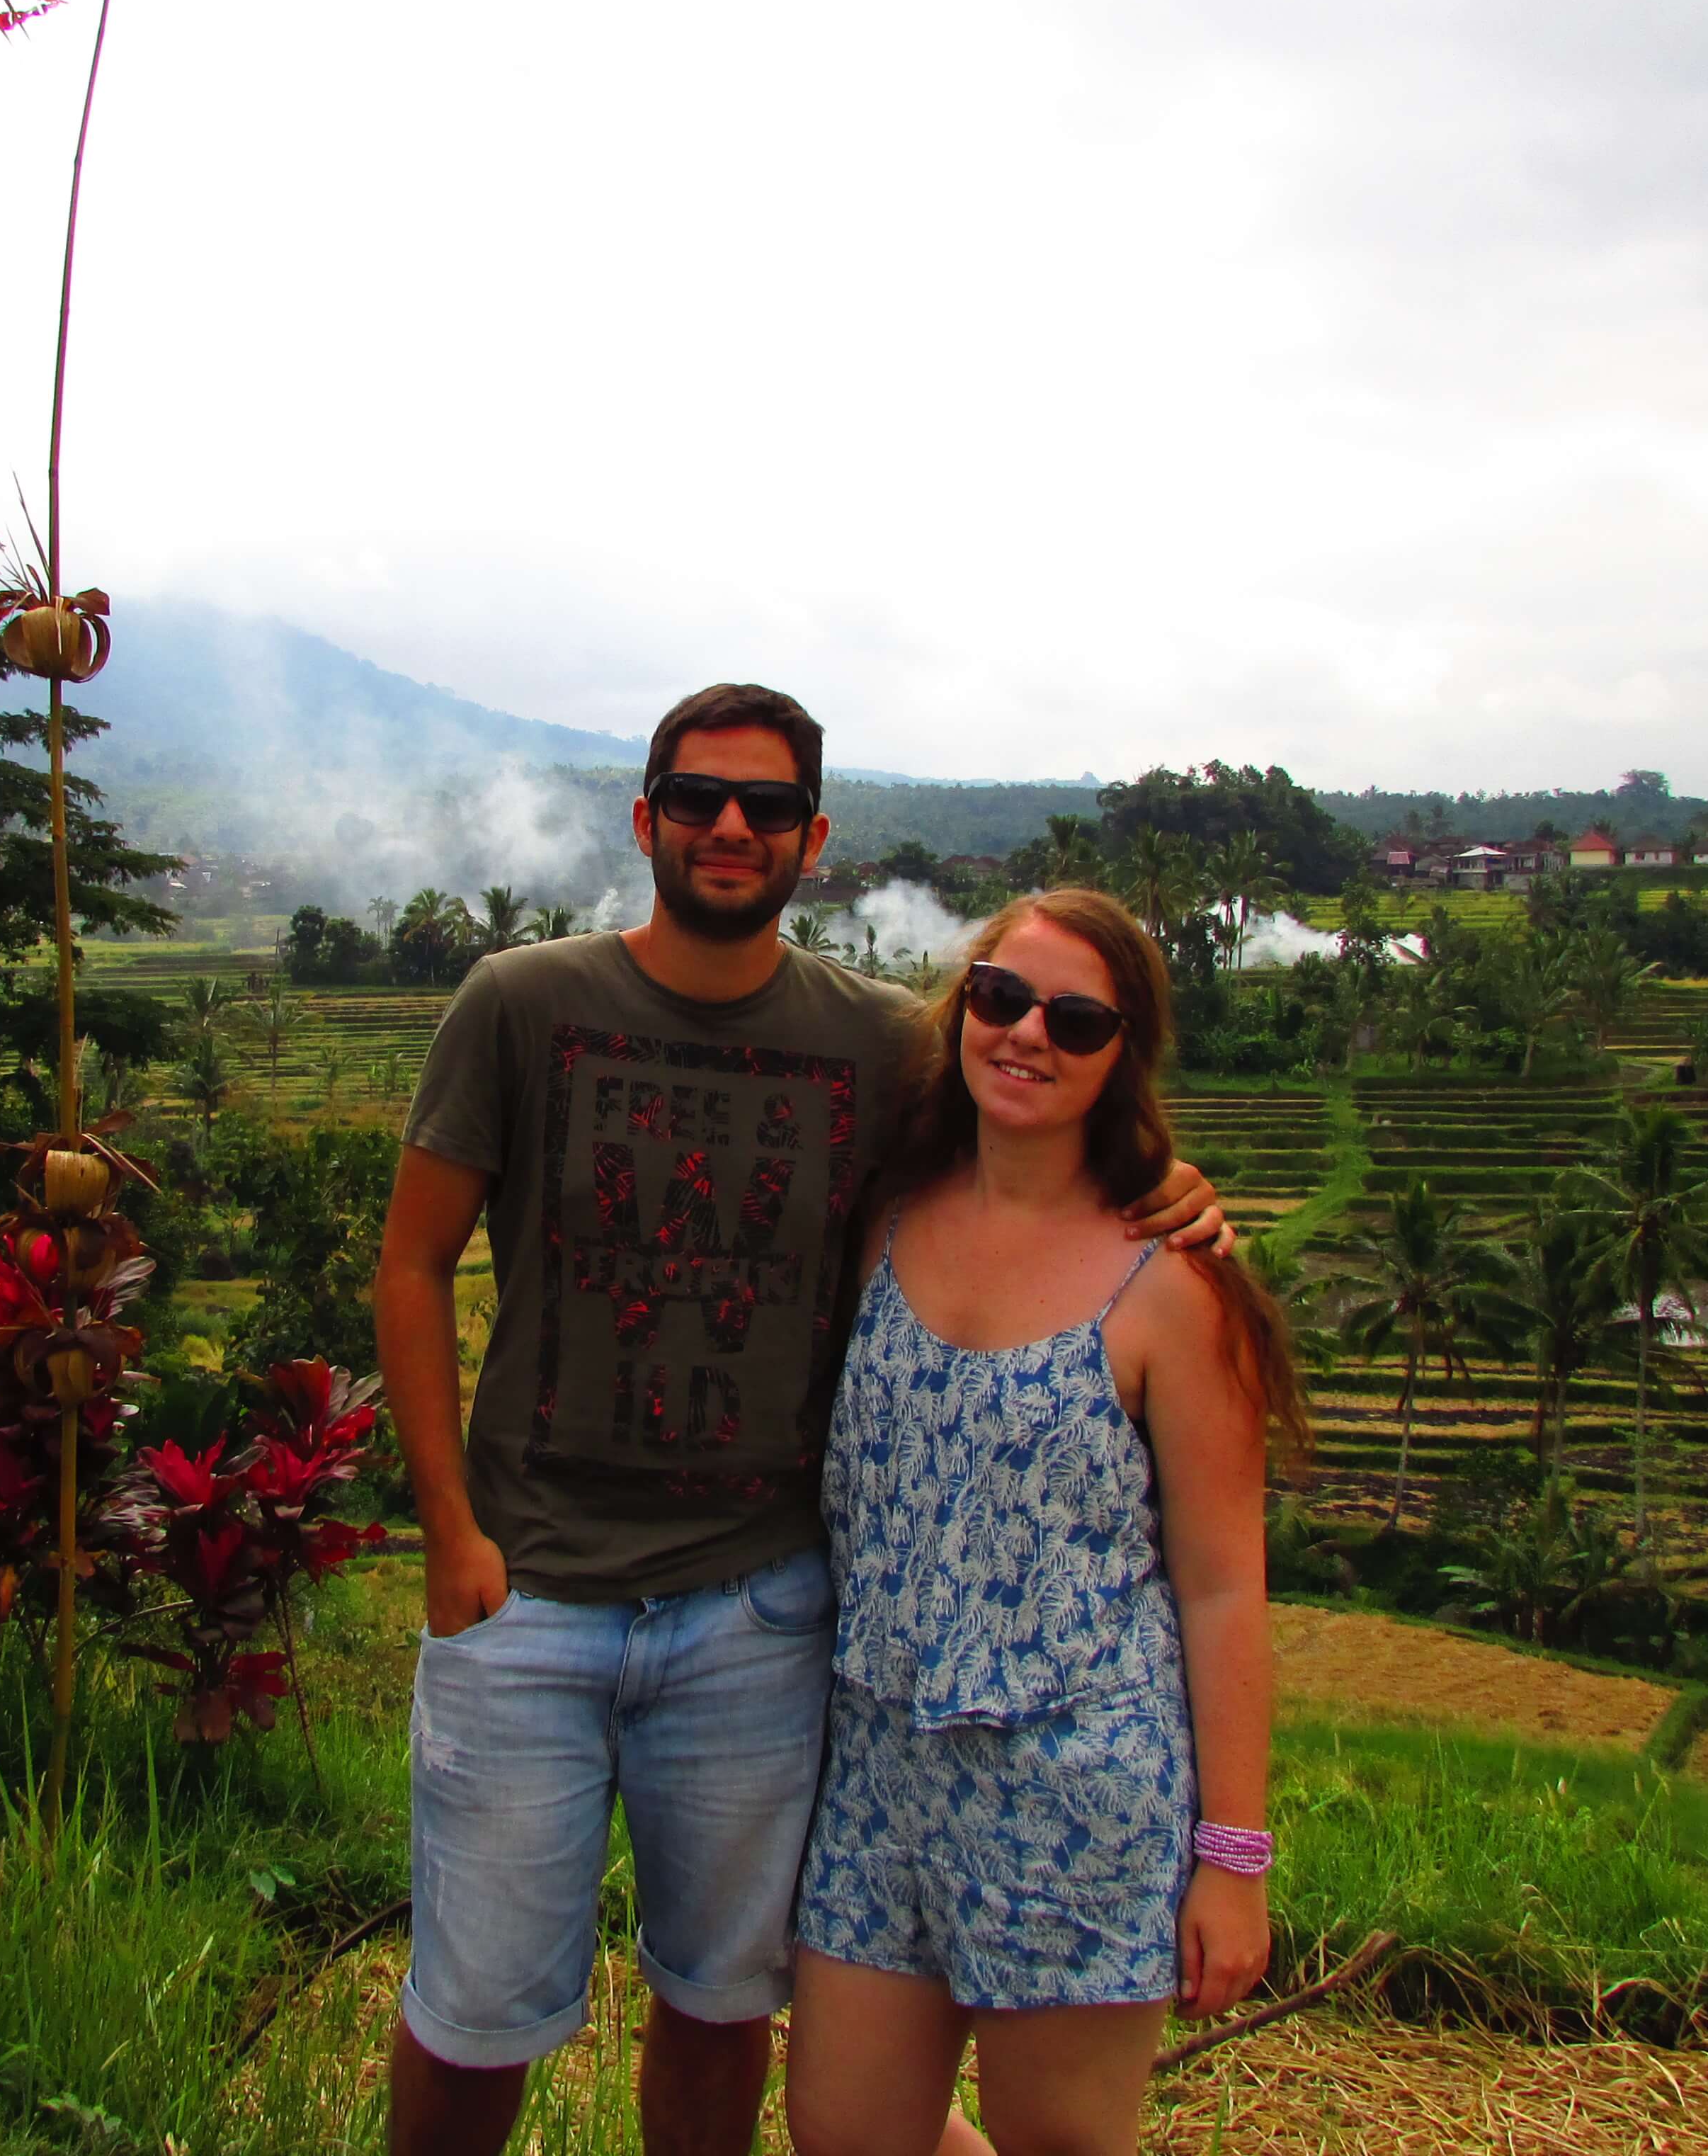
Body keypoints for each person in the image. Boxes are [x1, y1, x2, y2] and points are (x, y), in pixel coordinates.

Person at [377, 685, 1229, 2156]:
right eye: (698, 799)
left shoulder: (883, 1044)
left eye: (766, 806)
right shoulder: (520, 1004)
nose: (730, 826)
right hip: (529, 1597)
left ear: (812, 840)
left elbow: (1033, 1129)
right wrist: (451, 1534)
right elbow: (411, 1263)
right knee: (472, 2014)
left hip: (757, 1615)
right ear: (645, 819)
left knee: (720, 2009)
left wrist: (1174, 1191)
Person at [785, 887, 1309, 2156]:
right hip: (878, 1775)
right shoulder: (883, 1216)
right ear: (963, 1008)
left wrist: (1234, 1859)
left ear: (1124, 1055)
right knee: (844, 2134)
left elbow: (1223, 1587)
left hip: (1078, 1790)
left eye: (1076, 1021)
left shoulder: (1173, 1283)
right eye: (1002, 998)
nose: (1027, 1034)